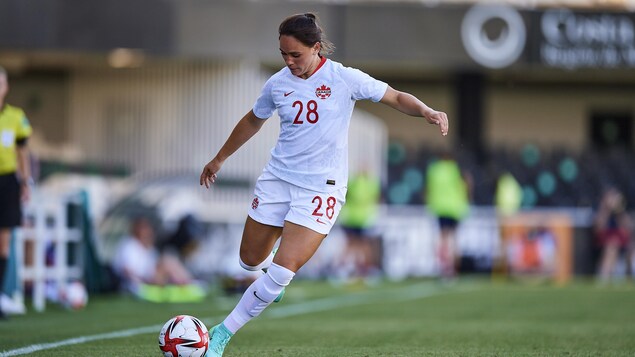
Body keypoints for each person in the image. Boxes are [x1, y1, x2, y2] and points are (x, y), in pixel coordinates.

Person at [199, 13, 448, 356]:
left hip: (321, 189)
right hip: (277, 179)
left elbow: (393, 96)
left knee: (282, 273)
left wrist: (427, 111)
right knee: (248, 260)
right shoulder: (277, 84)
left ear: (316, 48)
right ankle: (267, 270)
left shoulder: (344, 78)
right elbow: (253, 120)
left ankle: (222, 333)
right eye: (283, 54)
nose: (289, 61)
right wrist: (219, 158)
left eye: (295, 55)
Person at [0, 66, 33, 319]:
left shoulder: (15, 117)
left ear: (6, 87)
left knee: (4, 241)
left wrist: (25, 182)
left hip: (8, 181)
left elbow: (23, 152)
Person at [111, 216, 201, 301]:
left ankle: (187, 282)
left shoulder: (148, 248)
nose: (148, 232)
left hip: (149, 278)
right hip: (138, 282)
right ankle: (188, 283)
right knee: (167, 262)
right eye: (145, 229)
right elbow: (127, 271)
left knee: (169, 260)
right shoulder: (129, 245)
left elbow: (154, 265)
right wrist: (141, 283)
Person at [425, 150, 471, 280]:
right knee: (453, 239)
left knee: (443, 239)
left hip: (439, 208)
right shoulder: (455, 169)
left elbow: (428, 189)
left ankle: (444, 268)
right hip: (455, 208)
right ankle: (453, 269)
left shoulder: (434, 170)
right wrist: (466, 199)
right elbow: (467, 183)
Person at [337, 167, 382, 281]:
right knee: (357, 245)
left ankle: (362, 269)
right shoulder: (368, 183)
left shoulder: (361, 183)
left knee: (358, 245)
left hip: (359, 218)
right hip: (356, 218)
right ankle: (349, 269)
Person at [593, 187, 632, 283]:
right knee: (611, 248)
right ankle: (604, 279)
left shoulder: (621, 213)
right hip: (604, 246)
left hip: (622, 245)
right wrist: (605, 209)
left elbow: (628, 229)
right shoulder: (601, 211)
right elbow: (598, 228)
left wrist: (619, 210)